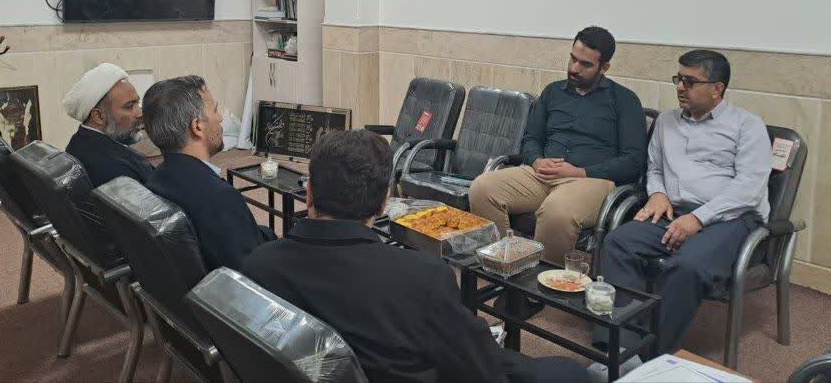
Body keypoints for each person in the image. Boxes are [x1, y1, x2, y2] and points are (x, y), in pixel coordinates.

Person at [241, 129, 591, 383]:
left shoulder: (258, 266)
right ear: (384, 202)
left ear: (309, 195)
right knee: (570, 372)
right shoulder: (423, 278)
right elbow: (484, 371)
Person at [598, 50, 771, 354]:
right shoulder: (666, 121)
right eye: (679, 79)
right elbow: (654, 168)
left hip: (731, 220)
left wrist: (700, 218)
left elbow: (749, 188)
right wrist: (657, 193)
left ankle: (650, 357)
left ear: (717, 89)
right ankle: (619, 347)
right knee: (618, 242)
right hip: (675, 213)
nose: (680, 87)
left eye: (690, 82)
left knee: (688, 265)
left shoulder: (748, 126)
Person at [469, 26, 647, 263]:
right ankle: (504, 265)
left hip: (591, 180)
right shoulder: (553, 92)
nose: (574, 68)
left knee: (557, 212)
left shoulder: (624, 100)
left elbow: (633, 161)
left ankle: (539, 282)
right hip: (542, 174)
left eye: (585, 64)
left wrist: (580, 172)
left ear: (604, 67)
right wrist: (536, 161)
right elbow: (531, 139)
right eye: (573, 58)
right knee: (482, 188)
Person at [143, 75, 275, 271]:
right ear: (197, 126)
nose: (220, 118)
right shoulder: (219, 198)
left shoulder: (156, 177)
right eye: (215, 110)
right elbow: (252, 271)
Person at [63, 63, 154, 188]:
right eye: (129, 106)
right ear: (99, 117)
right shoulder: (115, 170)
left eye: (137, 103)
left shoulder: (81, 140)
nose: (140, 113)